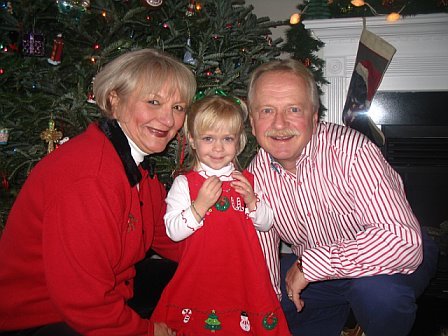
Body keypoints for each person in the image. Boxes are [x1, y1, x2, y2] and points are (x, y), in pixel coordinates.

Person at [0, 48, 196, 336]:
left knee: (190, 280)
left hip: (109, 292)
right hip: (39, 318)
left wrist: (222, 252)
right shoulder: (89, 177)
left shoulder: (136, 166)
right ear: (115, 101)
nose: (168, 120)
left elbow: (162, 235)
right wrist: (149, 332)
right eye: (154, 102)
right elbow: (85, 303)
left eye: (178, 107)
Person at [246, 59, 439, 336]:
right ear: (253, 123)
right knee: (251, 298)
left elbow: (402, 242)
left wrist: (312, 265)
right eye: (267, 110)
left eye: (294, 109)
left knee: (379, 295)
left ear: (314, 117)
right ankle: (343, 318)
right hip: (316, 274)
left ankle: (361, 316)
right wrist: (267, 301)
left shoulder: (352, 151)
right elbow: (262, 254)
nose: (280, 123)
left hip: (388, 262)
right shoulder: (256, 175)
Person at [150, 95, 291, 335]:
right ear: (193, 141)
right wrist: (199, 207)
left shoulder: (247, 181)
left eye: (227, 139)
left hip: (243, 277)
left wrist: (252, 201)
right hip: (200, 277)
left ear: (239, 142)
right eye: (208, 139)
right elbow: (173, 231)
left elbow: (267, 223)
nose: (218, 148)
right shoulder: (185, 183)